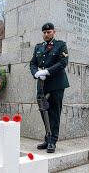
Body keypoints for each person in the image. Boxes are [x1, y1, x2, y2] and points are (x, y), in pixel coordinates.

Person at [29, 23, 70, 153]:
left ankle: (53, 141)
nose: (46, 34)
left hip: (56, 84)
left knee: (54, 113)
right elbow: (32, 63)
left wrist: (46, 71)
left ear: (54, 32)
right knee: (43, 111)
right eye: (45, 32)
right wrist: (35, 72)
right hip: (42, 85)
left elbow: (63, 63)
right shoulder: (38, 47)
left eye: (49, 32)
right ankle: (48, 138)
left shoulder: (60, 45)